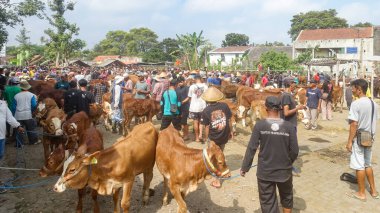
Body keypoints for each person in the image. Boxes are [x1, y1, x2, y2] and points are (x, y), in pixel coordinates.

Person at [241, 96, 299, 213]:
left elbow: (252, 147)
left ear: (266, 108)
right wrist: (287, 162)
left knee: (268, 202)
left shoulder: (260, 126)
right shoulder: (289, 127)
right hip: (284, 171)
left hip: (265, 172)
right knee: (287, 198)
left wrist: (245, 167)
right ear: (280, 108)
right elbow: (295, 150)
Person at [346, 79, 379, 201]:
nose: (352, 90)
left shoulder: (356, 104)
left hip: (359, 138)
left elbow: (354, 124)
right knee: (367, 164)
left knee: (359, 166)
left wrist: (349, 141)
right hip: (370, 138)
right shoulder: (374, 104)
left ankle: (361, 193)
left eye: (353, 88)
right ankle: (374, 191)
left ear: (359, 89)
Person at [200, 87, 232, 188]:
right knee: (220, 154)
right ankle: (222, 172)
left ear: (207, 99)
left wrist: (207, 137)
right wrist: (230, 131)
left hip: (213, 138)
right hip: (223, 136)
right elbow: (229, 120)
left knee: (214, 158)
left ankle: (217, 179)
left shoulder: (206, 110)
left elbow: (207, 126)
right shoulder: (225, 106)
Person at [12, 81, 38, 146]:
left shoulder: (16, 96)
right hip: (28, 115)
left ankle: (19, 143)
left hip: (18, 115)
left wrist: (13, 115)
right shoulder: (32, 95)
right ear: (28, 88)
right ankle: (32, 141)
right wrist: (32, 111)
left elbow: (13, 107)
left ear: (20, 88)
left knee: (19, 130)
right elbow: (34, 105)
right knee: (31, 129)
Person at [188, 75, 208, 142]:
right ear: (200, 79)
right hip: (203, 107)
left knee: (195, 122)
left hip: (194, 107)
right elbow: (207, 97)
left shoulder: (192, 87)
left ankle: (197, 137)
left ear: (195, 79)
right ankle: (201, 135)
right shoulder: (205, 86)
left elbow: (190, 97)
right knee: (202, 122)